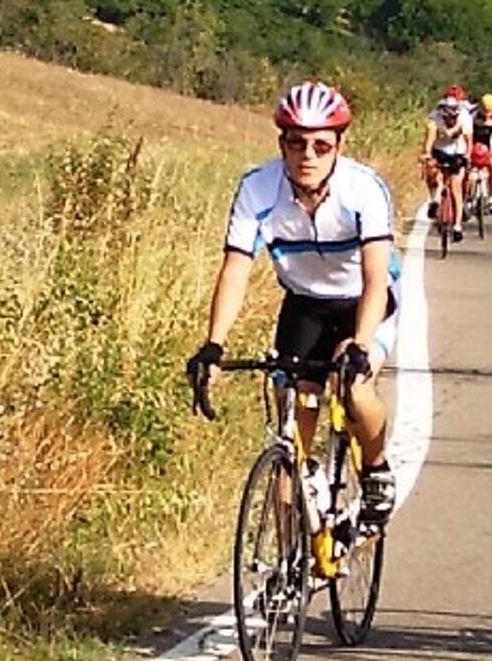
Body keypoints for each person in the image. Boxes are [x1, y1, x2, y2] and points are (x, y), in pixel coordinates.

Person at [186, 80, 398, 526]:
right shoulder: (258, 189)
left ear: (339, 145)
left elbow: (376, 278)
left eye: (322, 145)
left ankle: (376, 469)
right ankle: (289, 554)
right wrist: (214, 345)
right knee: (290, 431)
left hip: (363, 302)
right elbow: (236, 268)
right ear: (281, 142)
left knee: (354, 388)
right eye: (296, 143)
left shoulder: (363, 190)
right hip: (304, 305)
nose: (308, 155)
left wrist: (360, 345)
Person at [421, 91, 473, 242]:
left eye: (453, 117)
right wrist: (427, 154)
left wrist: (467, 156)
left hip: (458, 152)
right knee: (432, 172)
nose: (450, 120)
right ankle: (435, 199)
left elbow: (469, 140)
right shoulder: (434, 118)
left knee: (456, 187)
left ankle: (457, 226)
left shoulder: (465, 117)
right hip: (439, 150)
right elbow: (430, 139)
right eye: (447, 117)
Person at [468, 92, 492, 214]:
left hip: (490, 139)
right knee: (467, 166)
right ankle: (468, 196)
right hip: (474, 137)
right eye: (485, 111)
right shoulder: (471, 113)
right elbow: (466, 133)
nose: (487, 115)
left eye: (490, 112)